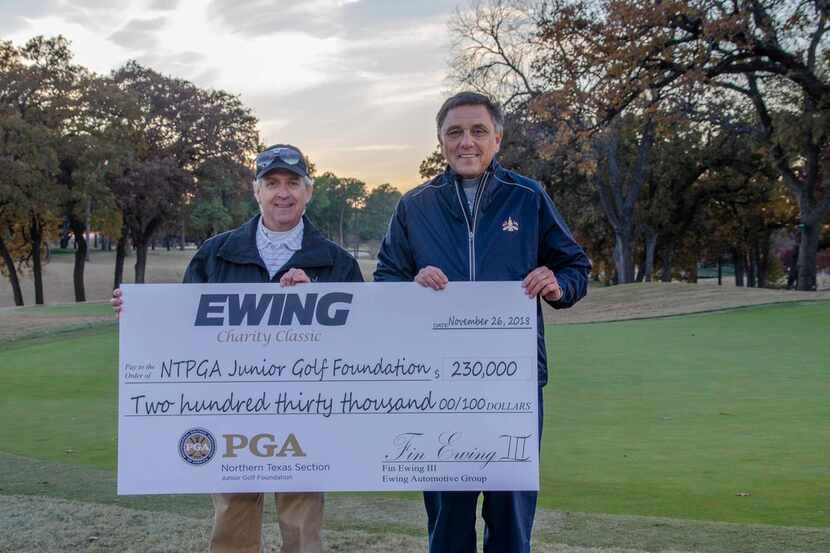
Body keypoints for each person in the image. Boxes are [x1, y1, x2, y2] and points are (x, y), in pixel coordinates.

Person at [113, 144, 363, 553]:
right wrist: (142, 316)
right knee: (233, 513)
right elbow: (184, 326)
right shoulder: (216, 252)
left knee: (301, 520)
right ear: (256, 191)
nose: (283, 193)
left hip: (307, 407)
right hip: (230, 407)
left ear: (308, 191)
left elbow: (361, 339)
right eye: (272, 183)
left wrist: (317, 298)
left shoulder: (336, 262)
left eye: (293, 183)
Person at [374, 91, 591, 553]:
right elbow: (386, 278)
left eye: (477, 131)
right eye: (454, 132)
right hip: (438, 386)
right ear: (440, 140)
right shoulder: (415, 205)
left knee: (510, 517)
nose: (466, 142)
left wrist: (556, 282)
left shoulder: (528, 197)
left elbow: (575, 267)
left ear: (497, 138)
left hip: (511, 385)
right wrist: (412, 285)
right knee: (448, 519)